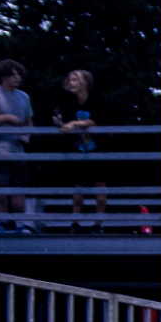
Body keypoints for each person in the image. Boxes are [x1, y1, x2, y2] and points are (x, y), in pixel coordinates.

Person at [0, 60, 33, 233]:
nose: (17, 78)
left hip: (17, 151)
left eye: (19, 74)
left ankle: (20, 225)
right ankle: (1, 225)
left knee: (19, 191)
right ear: (4, 76)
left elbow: (28, 120)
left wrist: (26, 135)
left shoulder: (24, 97)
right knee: (0, 191)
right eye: (13, 74)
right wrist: (7, 117)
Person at [49, 68, 105, 228]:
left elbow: (94, 121)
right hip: (78, 150)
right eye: (70, 80)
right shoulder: (69, 102)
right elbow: (65, 123)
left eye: (75, 80)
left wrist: (74, 123)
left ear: (84, 83)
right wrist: (59, 122)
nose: (71, 83)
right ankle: (75, 222)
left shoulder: (96, 100)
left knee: (100, 187)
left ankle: (99, 223)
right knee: (77, 187)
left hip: (97, 149)